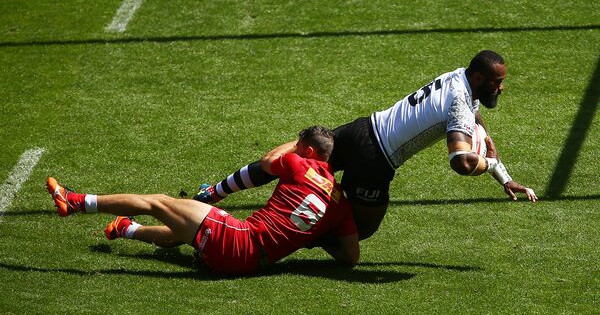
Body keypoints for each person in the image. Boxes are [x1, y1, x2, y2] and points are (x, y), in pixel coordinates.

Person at [194, 50, 538, 240]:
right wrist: (490, 164)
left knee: (285, 161)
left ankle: (212, 193)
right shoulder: (461, 101)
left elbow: (474, 117)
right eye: (498, 82)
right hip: (376, 159)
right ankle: (278, 233)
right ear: (478, 78)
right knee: (360, 230)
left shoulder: (459, 77)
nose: (501, 87)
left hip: (363, 128)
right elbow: (461, 162)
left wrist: (503, 175)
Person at [46, 126, 359, 275]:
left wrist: (297, 143)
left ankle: (75, 202)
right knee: (188, 227)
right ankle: (126, 229)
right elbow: (351, 256)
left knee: (158, 202)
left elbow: (267, 161)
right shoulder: (340, 204)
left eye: (300, 146)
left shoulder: (299, 165)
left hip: (238, 241)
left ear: (309, 152)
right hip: (251, 263)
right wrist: (311, 237)